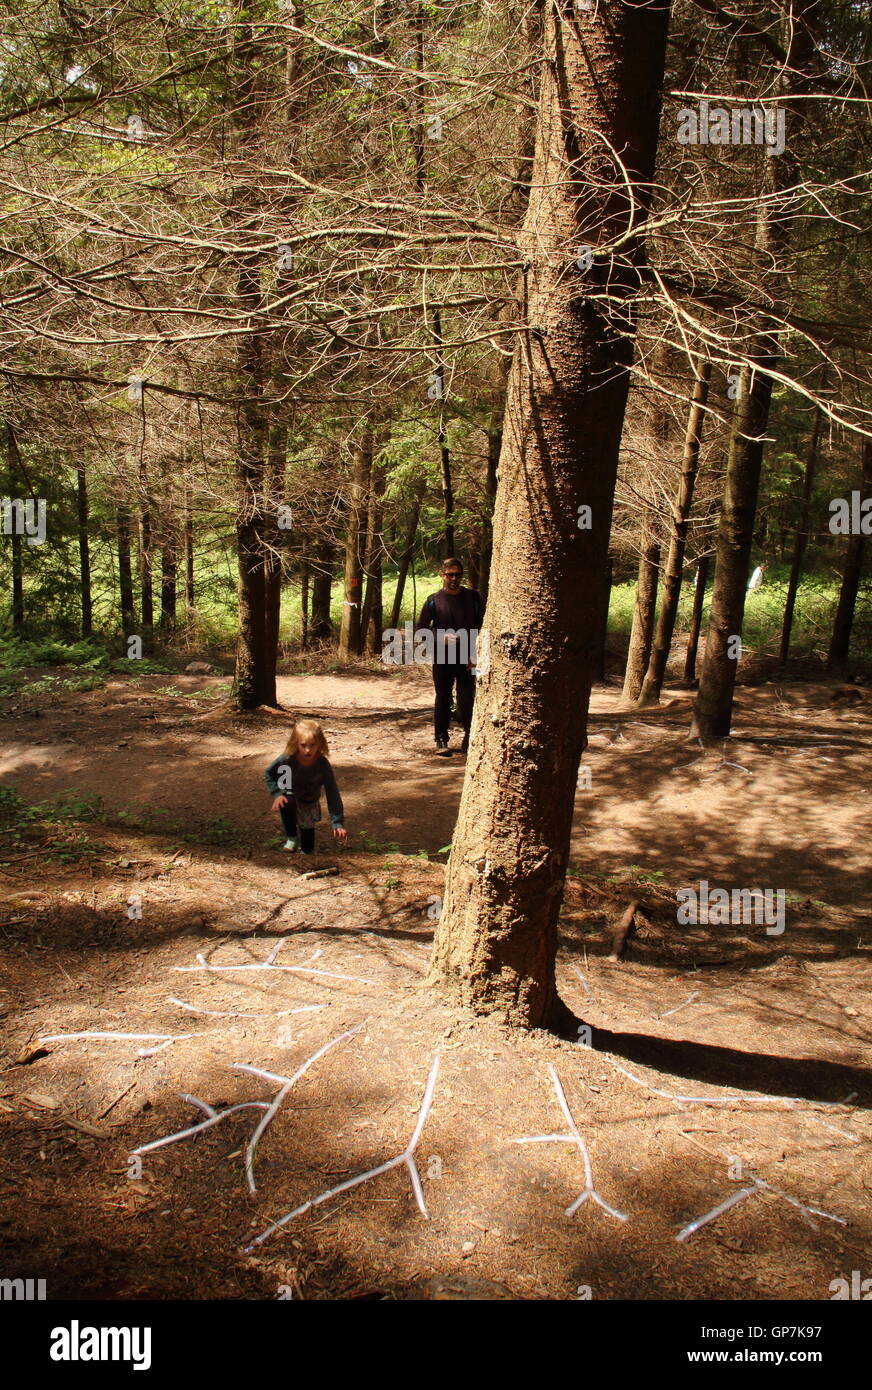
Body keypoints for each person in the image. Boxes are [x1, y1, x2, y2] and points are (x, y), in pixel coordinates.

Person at [416, 557, 483, 756]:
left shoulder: (474, 598)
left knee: (467, 698)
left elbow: (483, 626)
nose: (454, 578)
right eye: (450, 574)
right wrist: (440, 637)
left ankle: (470, 737)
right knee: (443, 697)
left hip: (469, 656)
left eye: (458, 574)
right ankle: (441, 739)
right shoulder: (433, 600)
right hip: (443, 657)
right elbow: (421, 630)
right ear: (442, 575)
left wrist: (479, 654)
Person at [264, 719, 347, 855]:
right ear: (296, 743)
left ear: (320, 744)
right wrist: (277, 793)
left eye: (312, 745)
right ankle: (291, 837)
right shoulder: (287, 759)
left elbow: (332, 791)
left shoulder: (322, 765)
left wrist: (337, 821)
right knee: (286, 801)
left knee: (307, 831)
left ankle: (306, 852)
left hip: (309, 799)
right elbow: (269, 773)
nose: (308, 750)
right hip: (290, 795)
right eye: (303, 745)